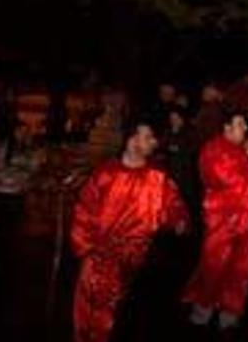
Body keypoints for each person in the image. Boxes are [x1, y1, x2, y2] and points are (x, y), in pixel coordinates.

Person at [71, 121, 188, 342]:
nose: (154, 143)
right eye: (149, 137)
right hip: (102, 259)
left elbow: (174, 205)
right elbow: (83, 213)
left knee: (129, 319)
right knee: (94, 315)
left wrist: (179, 220)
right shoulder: (105, 175)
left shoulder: (158, 177)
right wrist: (87, 250)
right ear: (132, 141)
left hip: (139, 261)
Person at [183, 112, 248, 330]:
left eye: (245, 125)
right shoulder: (213, 149)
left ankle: (230, 312)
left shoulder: (245, 152)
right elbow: (230, 181)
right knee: (214, 266)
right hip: (223, 222)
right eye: (240, 124)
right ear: (226, 128)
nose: (245, 129)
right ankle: (203, 309)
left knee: (242, 269)